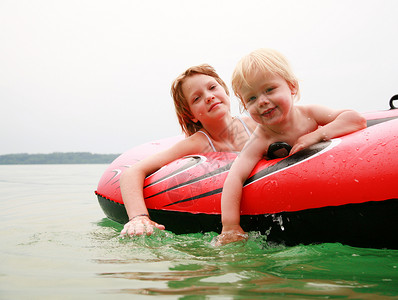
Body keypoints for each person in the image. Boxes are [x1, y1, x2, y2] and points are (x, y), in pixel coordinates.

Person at [216, 49, 367, 245]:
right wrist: (229, 225)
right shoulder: (261, 138)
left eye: (269, 89)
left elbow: (356, 119)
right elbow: (235, 176)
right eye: (251, 98)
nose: (262, 101)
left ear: (292, 86)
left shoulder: (309, 114)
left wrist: (315, 136)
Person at [119, 64, 257, 237]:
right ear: (191, 115)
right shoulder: (199, 143)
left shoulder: (254, 126)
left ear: (225, 91)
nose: (209, 97)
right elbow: (131, 173)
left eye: (213, 87)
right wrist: (138, 217)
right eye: (196, 98)